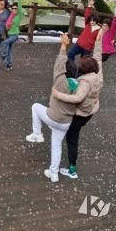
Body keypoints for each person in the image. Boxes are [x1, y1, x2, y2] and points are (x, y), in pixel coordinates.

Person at [50, 29, 103, 179]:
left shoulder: (85, 81)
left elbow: (78, 98)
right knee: (72, 135)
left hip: (81, 114)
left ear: (84, 70)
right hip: (91, 110)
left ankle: (72, 170)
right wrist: (98, 40)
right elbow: (98, 57)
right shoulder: (98, 75)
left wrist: (58, 95)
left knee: (72, 139)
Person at [25, 33, 77, 183]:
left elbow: (59, 64)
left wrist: (63, 46)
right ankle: (53, 173)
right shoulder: (78, 85)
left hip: (53, 117)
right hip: (66, 123)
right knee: (56, 146)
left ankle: (37, 134)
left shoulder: (60, 80)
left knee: (35, 107)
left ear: (64, 71)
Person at [67, 0, 100, 69]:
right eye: (91, 20)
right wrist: (89, 5)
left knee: (84, 63)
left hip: (87, 49)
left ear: (96, 21)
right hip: (79, 44)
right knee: (70, 54)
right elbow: (87, 14)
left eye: (93, 21)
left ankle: (80, 72)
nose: (91, 22)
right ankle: (71, 68)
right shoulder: (87, 24)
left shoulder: (99, 30)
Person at [1, 0, 23, 71]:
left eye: (16, 8)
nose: (14, 9)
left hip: (15, 35)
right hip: (9, 35)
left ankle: (3, 55)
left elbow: (20, 8)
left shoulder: (19, 16)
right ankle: (9, 65)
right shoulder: (11, 15)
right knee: (9, 51)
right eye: (13, 8)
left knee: (6, 42)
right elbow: (7, 25)